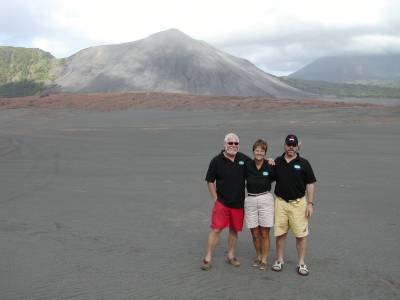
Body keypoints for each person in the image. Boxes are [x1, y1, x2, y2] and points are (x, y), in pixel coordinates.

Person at [201, 133, 250, 271]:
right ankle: (208, 258)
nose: (233, 146)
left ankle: (231, 256)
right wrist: (215, 198)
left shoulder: (244, 159)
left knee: (234, 230)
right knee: (216, 229)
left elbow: (257, 167)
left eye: (236, 143)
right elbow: (210, 181)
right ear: (225, 145)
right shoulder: (216, 161)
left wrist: (269, 161)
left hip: (238, 203)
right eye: (230, 143)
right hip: (222, 202)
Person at [271, 134, 316, 276]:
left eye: (293, 145)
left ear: (297, 146)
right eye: (288, 144)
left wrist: (310, 203)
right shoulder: (277, 162)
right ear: (284, 145)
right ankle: (279, 260)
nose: (291, 147)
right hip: (281, 203)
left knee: (301, 235)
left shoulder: (304, 163)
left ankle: (301, 263)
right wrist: (268, 163)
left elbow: (310, 183)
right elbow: (266, 178)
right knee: (280, 233)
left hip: (298, 204)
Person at [244, 139, 276, 271]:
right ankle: (258, 256)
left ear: (265, 152)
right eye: (257, 150)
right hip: (250, 199)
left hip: (265, 198)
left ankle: (264, 259)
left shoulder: (270, 165)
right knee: (254, 233)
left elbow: (281, 175)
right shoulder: (247, 165)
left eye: (262, 151)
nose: (259, 153)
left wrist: (273, 161)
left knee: (264, 233)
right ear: (253, 151)